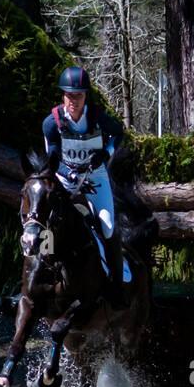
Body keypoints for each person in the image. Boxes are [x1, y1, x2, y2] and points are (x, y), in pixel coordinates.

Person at [41, 65, 129, 307]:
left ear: (85, 96)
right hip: (65, 179)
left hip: (96, 178)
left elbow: (119, 134)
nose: (74, 101)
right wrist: (69, 174)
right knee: (46, 222)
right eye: (70, 95)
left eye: (78, 96)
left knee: (108, 226)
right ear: (63, 96)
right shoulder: (52, 123)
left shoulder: (98, 118)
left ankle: (116, 286)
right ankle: (39, 279)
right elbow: (53, 160)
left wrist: (106, 153)